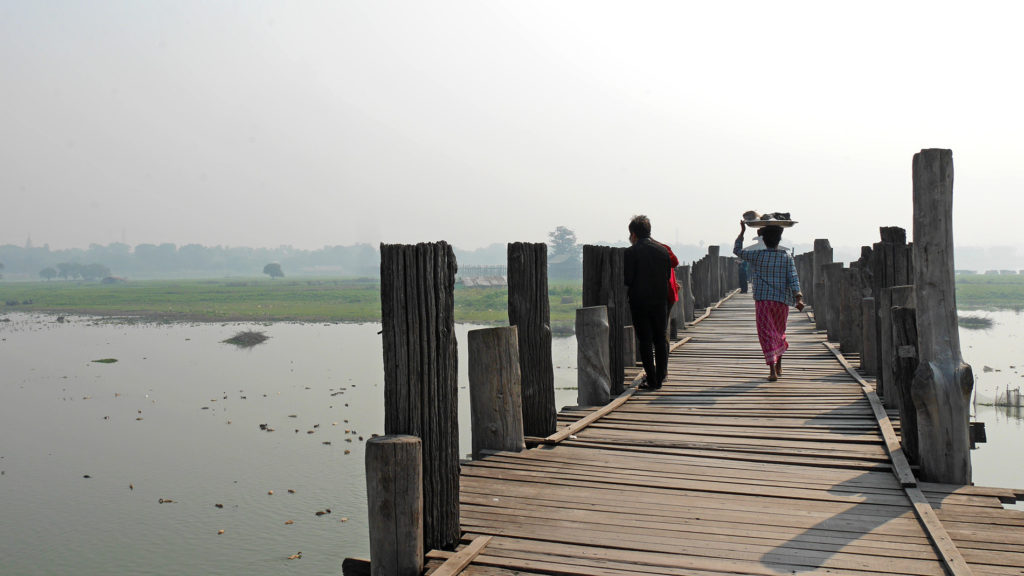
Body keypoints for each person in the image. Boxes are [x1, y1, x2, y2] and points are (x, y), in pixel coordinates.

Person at [733, 222, 804, 381]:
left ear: (764, 240)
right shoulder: (787, 257)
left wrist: (742, 232)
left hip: (764, 301)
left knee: (766, 334)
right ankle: (778, 364)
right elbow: (793, 278)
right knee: (779, 333)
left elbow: (737, 251)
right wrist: (798, 298)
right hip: (781, 302)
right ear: (779, 240)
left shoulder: (758, 255)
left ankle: (772, 370)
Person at [624, 215, 673, 390]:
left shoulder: (631, 252)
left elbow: (628, 279)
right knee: (660, 339)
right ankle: (660, 377)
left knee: (645, 341)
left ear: (633, 234)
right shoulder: (662, 251)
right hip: (660, 301)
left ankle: (651, 379)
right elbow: (667, 276)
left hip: (639, 302)